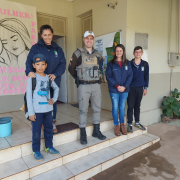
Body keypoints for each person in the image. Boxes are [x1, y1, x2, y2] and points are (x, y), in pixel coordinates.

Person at [26, 25, 66, 133]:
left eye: (49, 34)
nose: (47, 37)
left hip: (53, 80)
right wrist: (29, 71)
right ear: (41, 35)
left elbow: (63, 64)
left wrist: (56, 74)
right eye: (45, 35)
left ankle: (52, 122)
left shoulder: (58, 49)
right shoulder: (36, 47)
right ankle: (38, 122)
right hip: (39, 80)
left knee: (52, 101)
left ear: (52, 35)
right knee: (38, 101)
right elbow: (29, 60)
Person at [68, 31, 106, 145]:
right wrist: (78, 78)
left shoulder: (98, 54)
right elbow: (71, 68)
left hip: (96, 85)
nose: (89, 40)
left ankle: (96, 130)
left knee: (97, 108)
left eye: (91, 38)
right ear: (84, 40)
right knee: (83, 110)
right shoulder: (77, 53)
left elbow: (100, 68)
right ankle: (83, 134)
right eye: (87, 38)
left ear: (93, 40)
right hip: (83, 86)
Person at [26, 54, 59, 161]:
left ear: (46, 65)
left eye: (42, 64)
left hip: (48, 110)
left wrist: (54, 98)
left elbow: (56, 88)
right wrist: (31, 112)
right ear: (33, 65)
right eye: (37, 64)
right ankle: (36, 150)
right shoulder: (32, 78)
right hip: (36, 111)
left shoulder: (49, 78)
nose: (40, 66)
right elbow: (28, 96)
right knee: (36, 131)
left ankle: (48, 146)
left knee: (49, 129)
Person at [106, 44, 133, 136]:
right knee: (115, 107)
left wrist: (124, 86)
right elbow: (108, 76)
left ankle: (122, 125)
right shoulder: (111, 63)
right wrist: (117, 86)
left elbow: (130, 75)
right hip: (114, 90)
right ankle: (116, 126)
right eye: (117, 51)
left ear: (123, 52)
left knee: (122, 107)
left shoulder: (127, 63)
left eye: (120, 51)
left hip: (125, 90)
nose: (118, 52)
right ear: (115, 52)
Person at [127, 46, 149, 133]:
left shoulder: (145, 64)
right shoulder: (129, 63)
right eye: (136, 52)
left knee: (137, 106)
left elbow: (146, 77)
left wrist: (145, 88)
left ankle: (137, 122)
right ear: (133, 53)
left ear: (142, 53)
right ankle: (129, 124)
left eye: (139, 52)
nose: (138, 53)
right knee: (130, 107)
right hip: (131, 88)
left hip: (140, 88)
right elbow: (126, 76)